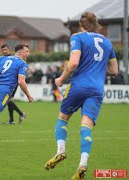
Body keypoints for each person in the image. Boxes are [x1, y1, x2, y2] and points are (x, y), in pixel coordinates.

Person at [44, 12, 118, 179]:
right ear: (96, 24)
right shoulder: (107, 42)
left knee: (62, 119)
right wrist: (97, 70)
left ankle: (60, 151)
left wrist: (61, 79)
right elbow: (114, 70)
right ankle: (83, 163)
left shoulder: (77, 37)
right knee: (86, 127)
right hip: (97, 89)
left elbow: (74, 62)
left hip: (78, 86)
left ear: (80, 23)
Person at [0, 44, 26, 124]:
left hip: (13, 83)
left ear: (9, 50)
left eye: (5, 49)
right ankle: (11, 120)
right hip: (6, 83)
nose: (4, 51)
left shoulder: (12, 58)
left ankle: (21, 114)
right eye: (3, 50)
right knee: (8, 101)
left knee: (8, 100)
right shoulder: (4, 59)